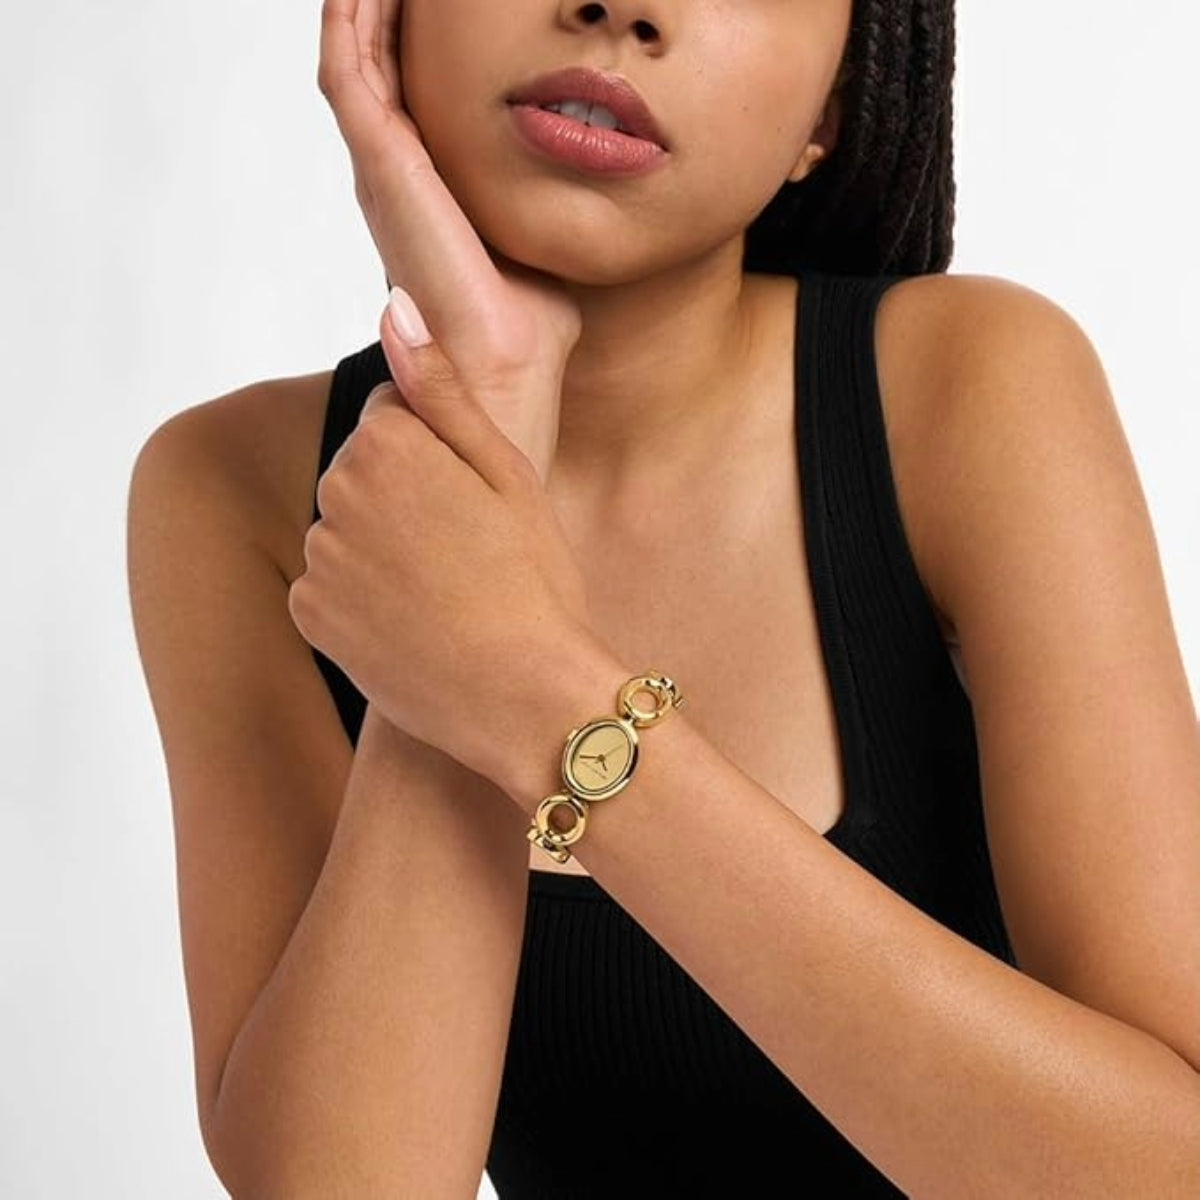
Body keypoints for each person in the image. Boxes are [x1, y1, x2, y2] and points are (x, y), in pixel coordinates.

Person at [126, 1, 1200, 1197]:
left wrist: (530, 689)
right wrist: (487, 409)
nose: (623, 6)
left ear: (834, 104)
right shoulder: (236, 490)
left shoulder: (968, 389)